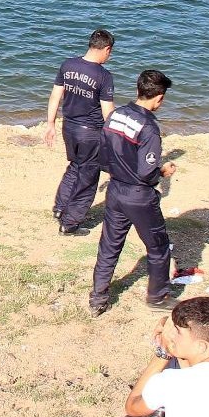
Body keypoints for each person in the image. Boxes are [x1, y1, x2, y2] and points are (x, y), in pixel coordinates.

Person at [89, 70, 177, 317]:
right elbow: (147, 172)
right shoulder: (149, 128)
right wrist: (162, 172)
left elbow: (103, 155)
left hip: (115, 190)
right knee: (158, 246)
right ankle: (157, 298)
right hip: (139, 195)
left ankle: (98, 298)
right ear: (158, 98)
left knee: (109, 245)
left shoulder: (115, 115)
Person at [44, 29, 116, 236]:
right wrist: (114, 136)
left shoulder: (68, 65)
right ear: (106, 49)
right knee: (88, 176)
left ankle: (60, 208)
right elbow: (107, 111)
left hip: (69, 127)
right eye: (110, 53)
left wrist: (50, 124)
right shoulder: (103, 76)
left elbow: (55, 95)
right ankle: (70, 223)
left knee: (75, 166)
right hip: (90, 132)